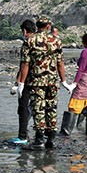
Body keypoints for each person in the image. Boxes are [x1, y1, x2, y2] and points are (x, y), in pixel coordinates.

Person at [19, 16, 73, 149]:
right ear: (48, 26)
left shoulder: (29, 41)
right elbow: (60, 62)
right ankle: (51, 137)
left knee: (38, 109)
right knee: (51, 107)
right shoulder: (56, 41)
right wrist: (64, 81)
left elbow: (25, 64)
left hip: (36, 81)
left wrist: (21, 83)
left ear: (37, 26)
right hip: (52, 81)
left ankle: (39, 139)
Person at [8, 19, 37, 144]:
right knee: (40, 108)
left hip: (28, 81)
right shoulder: (47, 42)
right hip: (43, 81)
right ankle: (42, 136)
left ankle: (22, 136)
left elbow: (24, 65)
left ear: (25, 31)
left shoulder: (27, 43)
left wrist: (19, 83)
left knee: (23, 108)